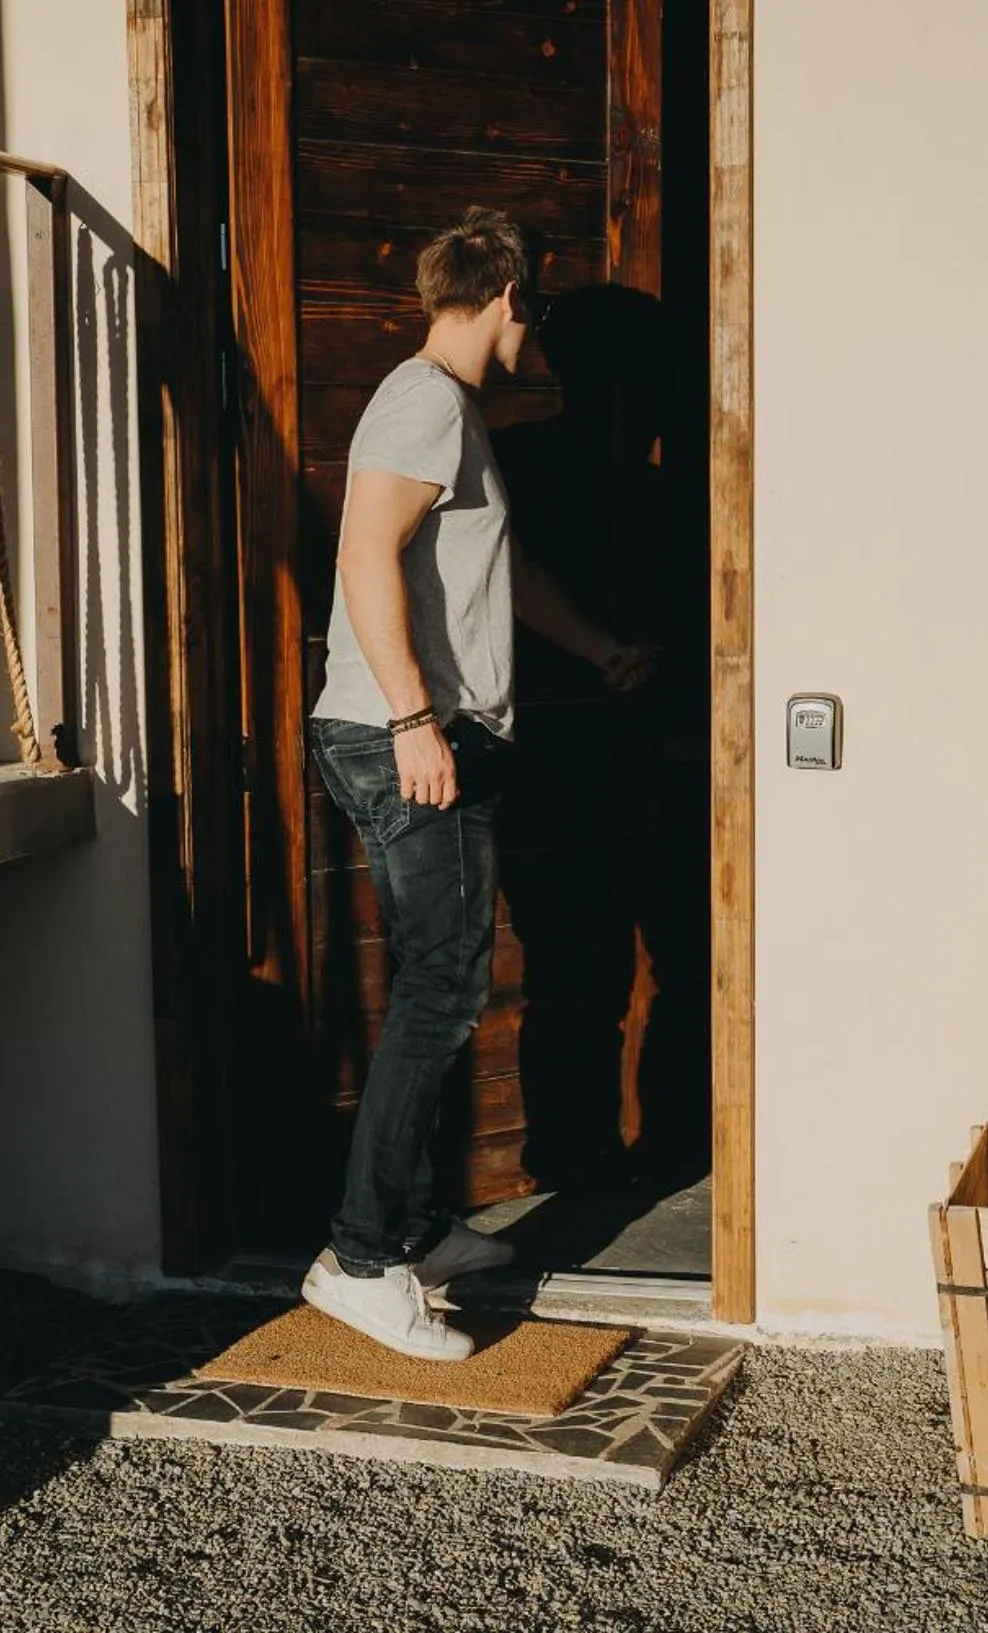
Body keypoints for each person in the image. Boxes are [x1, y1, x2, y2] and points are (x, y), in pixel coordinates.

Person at [302, 208, 650, 1361]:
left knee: (438, 982)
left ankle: (406, 1224)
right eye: (535, 310)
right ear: (504, 298)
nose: (535, 333)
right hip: (400, 732)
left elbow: (508, 572)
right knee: (441, 991)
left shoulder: (451, 415)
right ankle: (359, 1258)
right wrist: (412, 716)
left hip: (428, 728)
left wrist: (600, 650)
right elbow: (360, 553)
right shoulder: (422, 401)